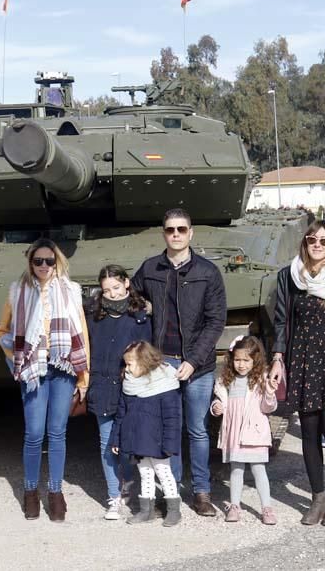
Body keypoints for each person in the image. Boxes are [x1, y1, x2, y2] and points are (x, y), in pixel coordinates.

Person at [131, 208, 226, 517]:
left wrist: (194, 360)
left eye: (181, 229)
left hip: (197, 366)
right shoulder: (150, 268)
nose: (176, 234)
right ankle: (170, 494)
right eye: (170, 229)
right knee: (167, 432)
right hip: (162, 364)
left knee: (197, 430)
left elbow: (215, 322)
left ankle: (201, 492)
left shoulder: (208, 272)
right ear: (164, 233)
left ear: (191, 233)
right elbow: (131, 299)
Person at [270, 220, 325, 526]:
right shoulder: (289, 276)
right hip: (304, 359)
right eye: (312, 240)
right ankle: (318, 498)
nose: (318, 245)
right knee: (309, 434)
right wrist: (278, 358)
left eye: (324, 241)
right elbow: (281, 320)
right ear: (305, 242)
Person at [0, 239, 90, 522]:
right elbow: (1, 330)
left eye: (50, 261)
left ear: (57, 262)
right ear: (30, 264)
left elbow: (82, 334)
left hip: (63, 368)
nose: (44, 266)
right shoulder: (18, 292)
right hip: (33, 370)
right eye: (39, 261)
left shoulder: (71, 291)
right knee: (34, 433)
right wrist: (16, 356)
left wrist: (84, 377)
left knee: (58, 433)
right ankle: (29, 491)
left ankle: (56, 492)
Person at [85, 264, 152, 520]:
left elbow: (147, 353)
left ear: (126, 283)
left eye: (116, 287)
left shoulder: (140, 317)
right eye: (106, 290)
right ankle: (114, 496)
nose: (112, 294)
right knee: (105, 444)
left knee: (126, 445)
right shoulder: (93, 316)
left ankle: (129, 484)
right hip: (102, 385)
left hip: (130, 388)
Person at [109, 341, 182, 526]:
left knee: (164, 472)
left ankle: (174, 510)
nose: (126, 369)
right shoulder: (129, 385)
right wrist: (116, 439)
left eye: (130, 364)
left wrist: (170, 444)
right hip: (137, 441)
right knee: (145, 474)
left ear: (144, 362)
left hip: (157, 442)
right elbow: (121, 414)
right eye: (125, 364)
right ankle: (146, 510)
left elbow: (172, 419)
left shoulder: (164, 385)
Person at [212, 336, 277, 525]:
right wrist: (217, 406)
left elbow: (267, 408)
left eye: (246, 360)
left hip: (254, 433)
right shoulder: (225, 380)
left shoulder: (261, 379)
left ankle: (266, 508)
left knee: (259, 470)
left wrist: (271, 393)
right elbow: (220, 400)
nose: (241, 365)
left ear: (255, 360)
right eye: (237, 360)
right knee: (236, 470)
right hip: (234, 432)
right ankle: (234, 505)